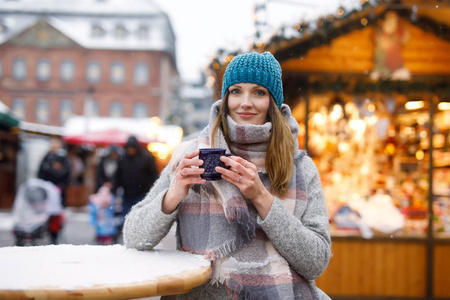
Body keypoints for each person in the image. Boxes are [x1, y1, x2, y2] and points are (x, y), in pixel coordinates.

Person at [123, 52, 331, 299]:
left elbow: (315, 262)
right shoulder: (191, 156)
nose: (245, 102)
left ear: (273, 102)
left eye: (259, 92)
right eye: (236, 91)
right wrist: (174, 193)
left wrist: (262, 198)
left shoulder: (301, 168)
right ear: (225, 98)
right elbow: (134, 237)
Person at [116, 136, 158, 221]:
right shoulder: (122, 159)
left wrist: (154, 188)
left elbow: (153, 174)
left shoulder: (146, 158)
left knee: (140, 216)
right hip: (126, 193)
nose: (131, 150)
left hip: (142, 192)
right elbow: (118, 174)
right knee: (126, 216)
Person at [37, 138, 71, 244]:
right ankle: (45, 231)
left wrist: (55, 170)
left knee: (56, 215)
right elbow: (41, 172)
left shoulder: (63, 158)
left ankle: (54, 235)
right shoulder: (47, 157)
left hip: (58, 190)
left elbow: (65, 174)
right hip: (46, 190)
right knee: (45, 213)